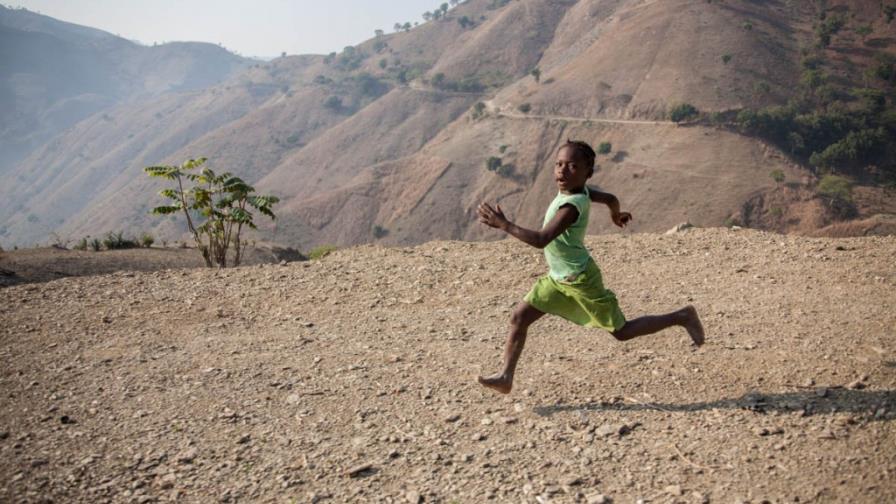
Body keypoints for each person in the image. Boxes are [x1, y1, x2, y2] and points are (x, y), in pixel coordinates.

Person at [476, 140, 704, 394]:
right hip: (559, 279)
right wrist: (616, 215)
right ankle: (506, 377)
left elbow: (541, 240)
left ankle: (682, 316)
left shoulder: (571, 207)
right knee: (520, 317)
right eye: (559, 164)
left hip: (580, 279)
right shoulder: (582, 191)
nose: (563, 171)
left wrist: (504, 224)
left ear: (587, 173)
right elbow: (610, 198)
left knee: (622, 331)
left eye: (573, 166)